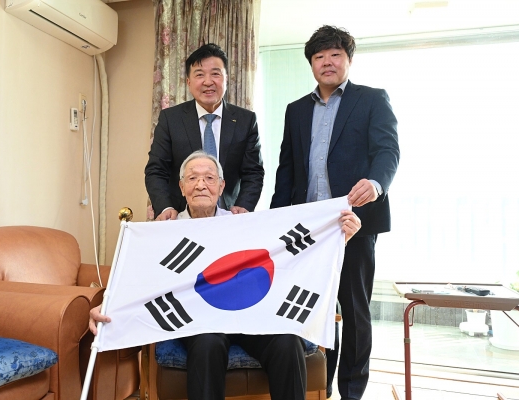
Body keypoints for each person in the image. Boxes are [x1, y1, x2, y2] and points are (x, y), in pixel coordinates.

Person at [92, 151, 362, 400]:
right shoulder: (165, 231)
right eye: (192, 178)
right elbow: (139, 279)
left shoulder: (243, 224)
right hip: (199, 322)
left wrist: (338, 238)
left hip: (250, 316)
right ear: (181, 187)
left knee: (287, 341)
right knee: (208, 342)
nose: (201, 185)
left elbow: (290, 260)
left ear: (221, 187)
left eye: (209, 178)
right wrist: (107, 305)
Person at [270, 25, 400, 400]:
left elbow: (388, 151)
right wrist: (276, 220)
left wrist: (375, 184)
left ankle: (352, 392)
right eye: (319, 56)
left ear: (348, 59)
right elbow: (287, 170)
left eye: (335, 55)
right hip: (307, 230)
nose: (327, 62)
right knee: (313, 310)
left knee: (355, 312)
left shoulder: (371, 99)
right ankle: (321, 387)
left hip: (353, 224)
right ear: (311, 63)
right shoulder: (296, 110)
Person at [144, 43, 264, 221]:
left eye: (215, 74)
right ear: (188, 82)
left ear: (226, 78)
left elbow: (253, 172)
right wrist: (165, 207)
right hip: (182, 218)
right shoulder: (171, 119)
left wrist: (244, 205)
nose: (208, 82)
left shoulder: (245, 120)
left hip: (229, 217)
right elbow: (156, 169)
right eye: (199, 75)